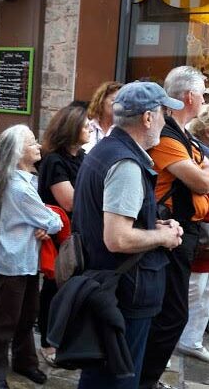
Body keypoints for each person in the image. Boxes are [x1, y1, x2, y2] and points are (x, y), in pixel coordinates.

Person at [73, 81, 184, 389]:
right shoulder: (125, 163)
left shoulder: (106, 150)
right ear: (147, 118)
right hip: (125, 292)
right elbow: (117, 238)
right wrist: (162, 238)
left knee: (101, 375)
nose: (166, 120)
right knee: (119, 379)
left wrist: (154, 226)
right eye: (163, 112)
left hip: (111, 288)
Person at [140, 67, 209, 389]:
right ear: (190, 97)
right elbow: (201, 180)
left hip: (182, 232)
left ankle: (146, 377)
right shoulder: (168, 136)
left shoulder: (185, 136)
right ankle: (145, 379)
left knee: (167, 312)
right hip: (171, 232)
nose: (205, 100)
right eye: (203, 94)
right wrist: (201, 172)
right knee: (171, 314)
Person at [0, 124, 62, 389]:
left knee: (28, 314)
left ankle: (24, 361)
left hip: (26, 258)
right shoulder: (19, 187)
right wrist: (48, 221)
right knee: (6, 319)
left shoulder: (27, 180)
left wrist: (43, 221)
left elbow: (43, 219)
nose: (38, 145)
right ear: (18, 153)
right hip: (14, 261)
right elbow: (53, 222)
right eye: (31, 142)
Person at [37, 105, 90, 364]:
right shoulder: (54, 160)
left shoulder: (82, 157)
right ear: (71, 128)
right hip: (60, 237)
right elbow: (69, 201)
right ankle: (48, 342)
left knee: (72, 288)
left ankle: (63, 336)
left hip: (79, 234)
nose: (89, 127)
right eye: (84, 124)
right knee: (54, 288)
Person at [177, 105, 209, 363]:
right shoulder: (196, 148)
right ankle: (175, 340)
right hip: (199, 229)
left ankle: (191, 339)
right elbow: (201, 184)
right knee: (191, 291)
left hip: (203, 231)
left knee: (204, 292)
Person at [83, 81, 123, 153]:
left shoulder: (124, 129)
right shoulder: (86, 125)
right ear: (101, 100)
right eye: (114, 100)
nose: (118, 104)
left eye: (121, 101)